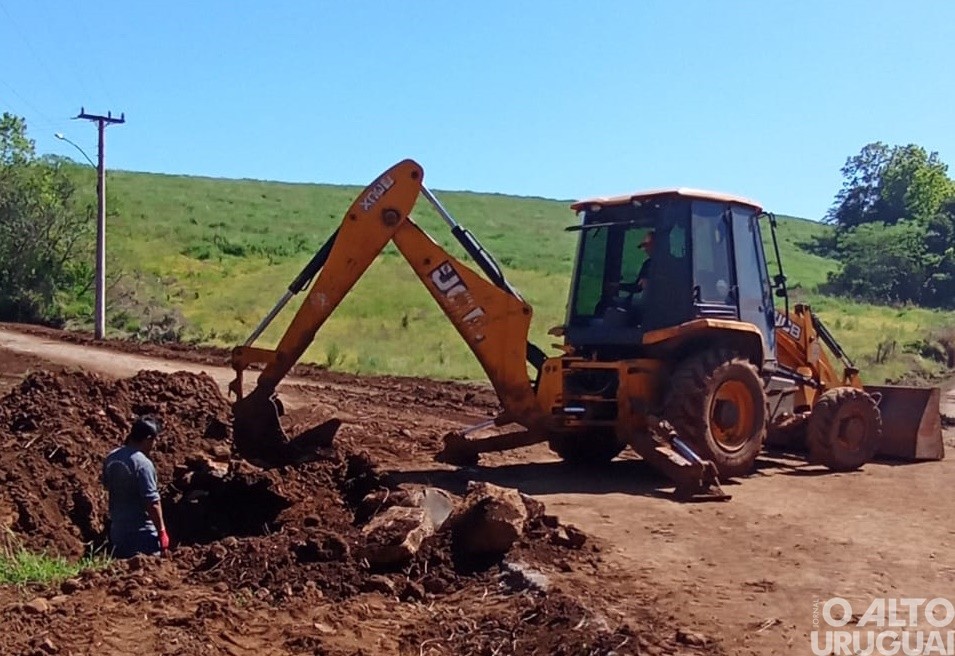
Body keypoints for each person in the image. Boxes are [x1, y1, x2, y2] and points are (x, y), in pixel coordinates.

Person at [101, 415, 169, 558]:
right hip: (142, 535)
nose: (155, 444)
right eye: (155, 440)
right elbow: (152, 502)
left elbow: (108, 486)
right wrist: (162, 531)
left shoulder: (111, 458)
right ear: (148, 439)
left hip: (118, 533)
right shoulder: (143, 464)